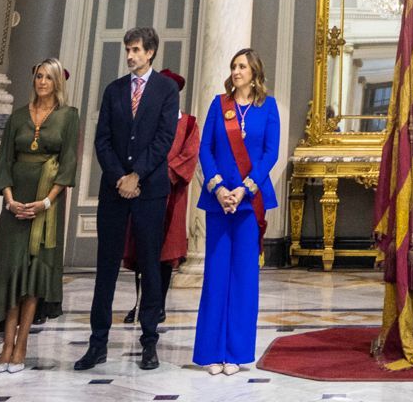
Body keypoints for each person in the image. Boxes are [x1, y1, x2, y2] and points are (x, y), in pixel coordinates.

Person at [75, 25, 180, 373]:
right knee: (106, 267)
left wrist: (138, 175)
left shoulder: (166, 90)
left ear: (150, 52)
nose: (130, 56)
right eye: (127, 50)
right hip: (115, 190)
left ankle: (149, 342)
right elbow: (101, 138)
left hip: (150, 190)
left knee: (150, 265)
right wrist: (120, 177)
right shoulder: (114, 90)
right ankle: (97, 344)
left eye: (135, 50)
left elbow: (165, 138)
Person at [0, 60, 79, 372]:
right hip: (15, 204)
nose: (42, 82)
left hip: (46, 207)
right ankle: (5, 344)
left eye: (48, 77)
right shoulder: (19, 116)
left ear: (57, 82)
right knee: (10, 271)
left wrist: (45, 203)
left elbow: (68, 163)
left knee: (34, 273)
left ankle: (21, 345)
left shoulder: (68, 116)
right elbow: (4, 160)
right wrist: (9, 200)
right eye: (38, 76)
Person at [193, 48, 281, 374]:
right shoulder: (219, 104)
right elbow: (205, 148)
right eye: (233, 66)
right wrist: (218, 187)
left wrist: (245, 188)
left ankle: (236, 353)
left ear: (254, 72)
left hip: (248, 202)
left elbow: (270, 153)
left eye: (242, 66)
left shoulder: (268, 107)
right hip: (218, 203)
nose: (236, 71)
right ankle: (211, 352)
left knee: (244, 279)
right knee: (216, 275)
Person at [123, 68, 199, 328]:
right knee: (142, 250)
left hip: (172, 198)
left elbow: (188, 157)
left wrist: (160, 174)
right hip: (143, 191)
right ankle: (139, 302)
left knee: (165, 254)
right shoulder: (147, 120)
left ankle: (159, 304)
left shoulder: (188, 123)